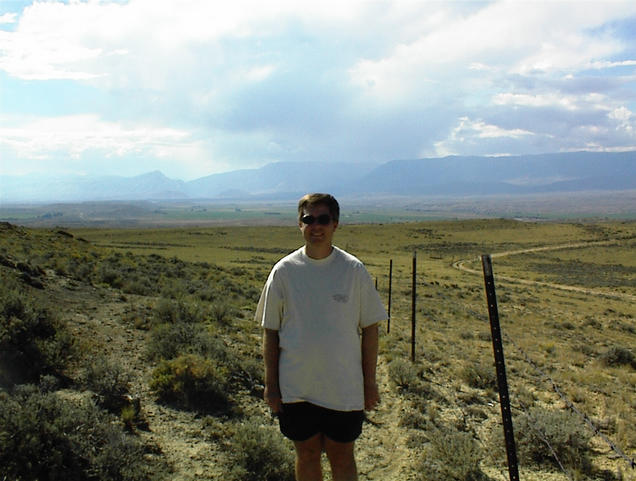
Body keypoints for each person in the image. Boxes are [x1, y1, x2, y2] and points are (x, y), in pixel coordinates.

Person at [255, 193, 388, 481]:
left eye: (323, 219)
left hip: (343, 388)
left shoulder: (353, 270)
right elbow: (271, 331)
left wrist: (369, 383)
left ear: (335, 224)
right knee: (307, 455)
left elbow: (371, 329)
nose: (316, 226)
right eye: (308, 219)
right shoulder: (284, 272)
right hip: (297, 387)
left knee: (342, 457)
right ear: (299, 224)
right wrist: (272, 386)